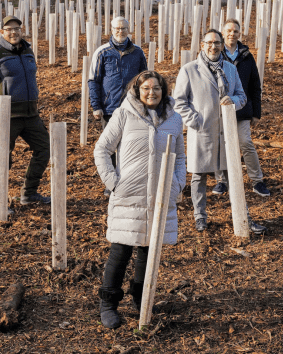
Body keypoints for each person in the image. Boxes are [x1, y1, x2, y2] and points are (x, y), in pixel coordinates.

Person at [94, 71, 186, 329]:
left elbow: (179, 157)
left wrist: (178, 184)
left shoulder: (174, 119)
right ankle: (108, 304)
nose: (151, 93)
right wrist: (113, 183)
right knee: (121, 250)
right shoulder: (123, 115)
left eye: (156, 88)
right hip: (129, 195)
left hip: (160, 194)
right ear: (137, 91)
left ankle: (141, 298)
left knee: (149, 249)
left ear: (163, 91)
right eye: (146, 88)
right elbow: (102, 150)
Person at [174, 29, 266, 234]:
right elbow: (179, 102)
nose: (213, 46)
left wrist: (232, 101)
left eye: (217, 43)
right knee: (199, 177)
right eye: (209, 42)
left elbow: (242, 96)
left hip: (227, 131)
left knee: (232, 174)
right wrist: (195, 121)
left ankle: (243, 216)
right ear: (202, 44)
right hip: (202, 131)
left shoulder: (231, 70)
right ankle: (200, 217)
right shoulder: (189, 70)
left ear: (222, 45)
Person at [0, 15, 50, 205]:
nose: (14, 32)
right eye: (9, 29)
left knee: (44, 149)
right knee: (2, 157)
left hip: (31, 113)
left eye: (17, 28)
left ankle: (29, 193)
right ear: (2, 32)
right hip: (5, 115)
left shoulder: (28, 51)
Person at [213, 18, 271, 197]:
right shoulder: (215, 53)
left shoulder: (246, 55)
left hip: (243, 109)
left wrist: (256, 112)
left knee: (245, 142)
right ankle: (222, 181)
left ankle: (257, 180)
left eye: (235, 31)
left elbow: (255, 85)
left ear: (240, 34)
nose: (232, 34)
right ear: (223, 33)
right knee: (220, 145)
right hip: (219, 110)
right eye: (228, 31)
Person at [89, 16, 148, 195]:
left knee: (130, 144)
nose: (120, 32)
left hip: (132, 107)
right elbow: (94, 80)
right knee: (111, 146)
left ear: (129, 30)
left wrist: (144, 104)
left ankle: (129, 178)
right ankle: (111, 182)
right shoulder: (102, 52)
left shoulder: (137, 52)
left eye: (123, 28)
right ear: (111, 29)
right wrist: (96, 106)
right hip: (109, 107)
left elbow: (144, 78)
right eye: (117, 29)